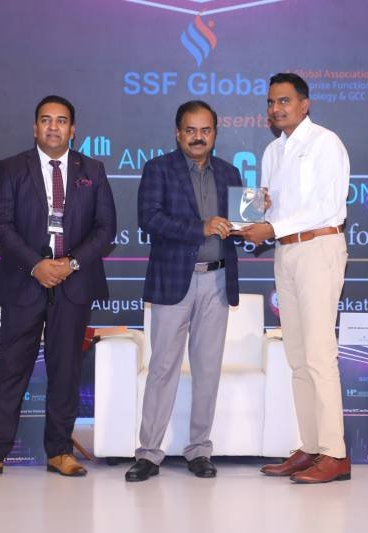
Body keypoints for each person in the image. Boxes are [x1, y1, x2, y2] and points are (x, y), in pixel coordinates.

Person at [0, 95, 116, 480]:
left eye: (61, 120)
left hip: (73, 282)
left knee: (65, 369)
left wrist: (70, 264)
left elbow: (105, 229)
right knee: (10, 367)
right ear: (35, 128)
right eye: (46, 120)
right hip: (24, 280)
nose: (54, 127)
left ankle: (60, 451)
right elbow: (1, 225)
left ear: (73, 129)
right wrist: (36, 265)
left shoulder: (92, 170)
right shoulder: (12, 168)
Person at [237, 73, 351, 484]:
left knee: (319, 354)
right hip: (285, 252)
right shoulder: (272, 151)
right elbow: (271, 210)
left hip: (319, 247)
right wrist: (255, 214)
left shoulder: (325, 143)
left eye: (284, 101)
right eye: (271, 102)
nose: (276, 109)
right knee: (298, 356)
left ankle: (336, 454)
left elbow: (325, 206)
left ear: (305, 104)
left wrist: (272, 225)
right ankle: (312, 446)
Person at [125, 100, 241, 482]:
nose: (198, 137)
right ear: (178, 134)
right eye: (191, 130)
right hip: (174, 279)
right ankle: (148, 454)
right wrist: (200, 227)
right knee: (162, 368)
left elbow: (239, 228)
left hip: (217, 281)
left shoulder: (230, 173)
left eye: (205, 130)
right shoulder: (158, 169)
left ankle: (199, 450)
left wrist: (256, 222)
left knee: (207, 370)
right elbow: (149, 220)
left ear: (215, 134)